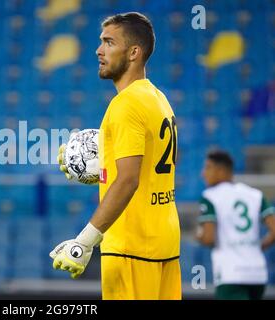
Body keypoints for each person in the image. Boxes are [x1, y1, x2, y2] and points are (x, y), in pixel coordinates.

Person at [51, 12, 181, 300]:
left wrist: (84, 242)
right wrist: (105, 166)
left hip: (131, 248)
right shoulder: (158, 98)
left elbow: (129, 180)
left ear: (134, 52)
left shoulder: (125, 104)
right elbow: (155, 163)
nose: (99, 50)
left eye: (109, 42)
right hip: (165, 245)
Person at [196, 150, 275, 300]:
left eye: (208, 167)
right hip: (257, 273)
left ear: (221, 170)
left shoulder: (210, 197)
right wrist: (259, 246)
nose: (203, 173)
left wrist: (198, 236)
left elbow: (208, 238)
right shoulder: (255, 194)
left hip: (230, 274)